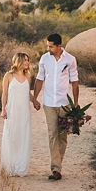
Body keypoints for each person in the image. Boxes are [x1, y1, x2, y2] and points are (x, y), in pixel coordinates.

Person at [31, 33, 79, 180]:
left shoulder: (70, 59)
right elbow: (40, 79)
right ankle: (56, 169)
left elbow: (75, 82)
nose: (48, 48)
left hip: (65, 103)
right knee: (52, 134)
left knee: (62, 136)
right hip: (49, 103)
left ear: (59, 46)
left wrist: (76, 103)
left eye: (51, 46)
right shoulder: (45, 59)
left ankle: (58, 165)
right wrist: (34, 98)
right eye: (48, 46)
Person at [0, 51, 35, 176]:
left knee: (22, 137)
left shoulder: (28, 77)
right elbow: (4, 93)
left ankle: (20, 167)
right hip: (12, 111)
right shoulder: (8, 75)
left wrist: (35, 101)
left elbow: (28, 93)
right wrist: (3, 109)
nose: (27, 62)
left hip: (24, 112)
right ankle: (9, 166)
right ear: (18, 61)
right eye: (25, 60)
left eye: (28, 60)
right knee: (11, 137)